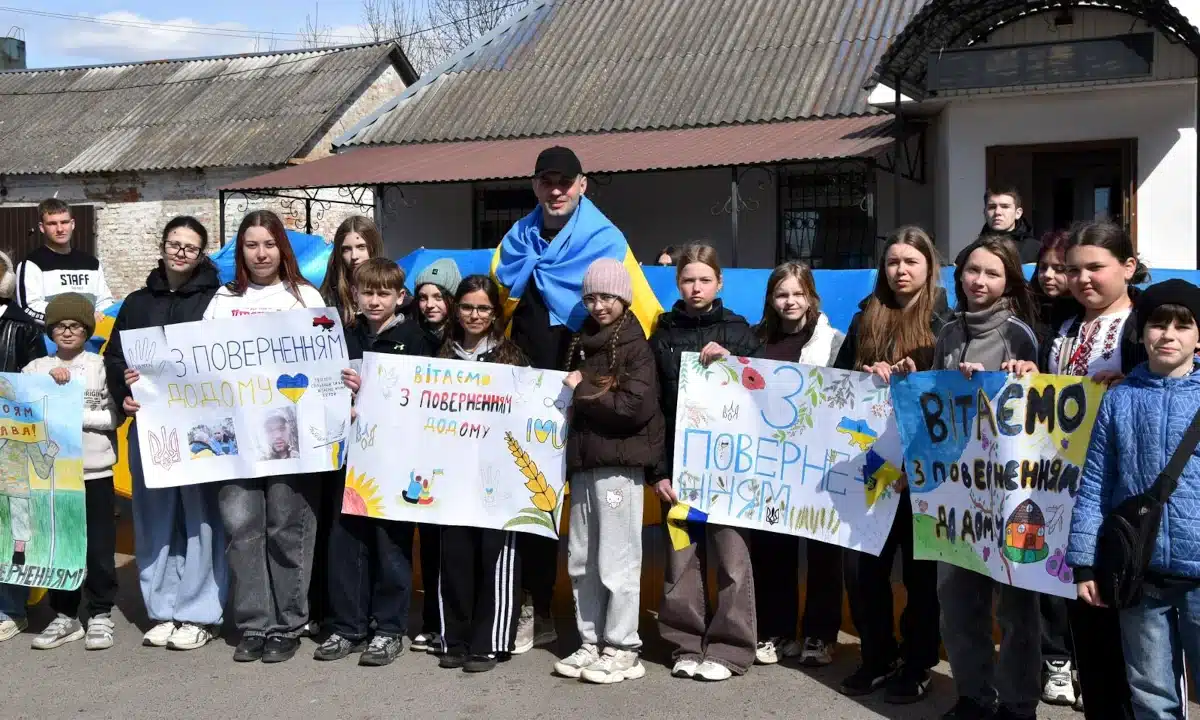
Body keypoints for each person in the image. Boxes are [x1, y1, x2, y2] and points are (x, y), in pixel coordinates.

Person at [490, 145, 660, 654]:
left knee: (597, 526)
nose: (556, 190)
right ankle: (534, 610)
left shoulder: (606, 240)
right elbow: (492, 311)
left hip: (586, 401)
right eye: (547, 181)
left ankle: (614, 636)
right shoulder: (514, 241)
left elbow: (642, 315)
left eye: (566, 181)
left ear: (583, 184)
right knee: (529, 503)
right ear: (536, 186)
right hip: (528, 399)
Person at [1014, 221, 1148, 719]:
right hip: (1066, 494)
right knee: (1084, 617)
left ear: (1128, 267)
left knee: (1133, 635)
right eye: (1074, 270)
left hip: (1124, 497)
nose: (1083, 279)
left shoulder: (1145, 325)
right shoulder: (1065, 326)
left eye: (1096, 267)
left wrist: (1135, 380)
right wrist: (1034, 376)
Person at [913, 236, 1040, 720]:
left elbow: (1034, 409)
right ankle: (972, 695)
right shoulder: (947, 332)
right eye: (972, 271)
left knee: (1013, 605)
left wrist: (1018, 376)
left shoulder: (1019, 333)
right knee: (958, 599)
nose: (979, 281)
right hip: (954, 491)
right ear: (958, 274)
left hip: (1007, 493)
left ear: (1007, 281)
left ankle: (1017, 702)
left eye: (991, 273)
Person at [1068, 279, 1200, 720]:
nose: (1169, 334)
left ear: (1198, 336)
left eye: (1183, 325)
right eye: (1158, 324)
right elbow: (1095, 485)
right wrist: (1085, 561)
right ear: (1142, 332)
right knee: (1149, 693)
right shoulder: (1120, 399)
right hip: (1138, 572)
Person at [203, 210, 326, 663]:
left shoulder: (304, 298)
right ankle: (255, 623)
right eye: (251, 245)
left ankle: (288, 624)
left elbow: (327, 361)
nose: (260, 253)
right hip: (234, 436)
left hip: (289, 436)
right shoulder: (222, 298)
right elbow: (196, 364)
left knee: (285, 527)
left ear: (282, 248)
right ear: (241, 251)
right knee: (242, 528)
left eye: (268, 244)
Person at [834, 226, 948, 704]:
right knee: (863, 569)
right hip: (873, 465)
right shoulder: (866, 319)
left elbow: (953, 395)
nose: (900, 271)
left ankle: (917, 663)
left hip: (922, 472)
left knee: (921, 575)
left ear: (929, 268)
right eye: (893, 262)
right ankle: (876, 655)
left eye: (910, 262)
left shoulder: (945, 321)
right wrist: (861, 374)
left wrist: (919, 376)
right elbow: (836, 386)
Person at [104, 216, 227, 651]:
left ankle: (198, 612)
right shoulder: (136, 303)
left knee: (200, 520)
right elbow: (114, 357)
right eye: (174, 243)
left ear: (201, 254)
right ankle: (162, 608)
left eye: (190, 247)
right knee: (154, 517)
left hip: (199, 428)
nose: (180, 252)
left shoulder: (217, 301)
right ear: (162, 246)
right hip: (150, 426)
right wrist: (125, 393)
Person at [316, 258, 436, 667]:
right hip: (347, 457)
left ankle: (388, 629)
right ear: (355, 293)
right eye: (367, 291)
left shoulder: (416, 340)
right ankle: (346, 626)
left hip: (393, 460)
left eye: (384, 292)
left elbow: (423, 401)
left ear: (400, 297)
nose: (374, 300)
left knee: (390, 545)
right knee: (346, 543)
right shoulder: (343, 338)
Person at [652, 244, 762, 682]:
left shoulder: (740, 332)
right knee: (682, 560)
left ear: (719, 283)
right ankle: (684, 644)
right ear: (677, 283)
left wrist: (735, 363)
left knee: (733, 558)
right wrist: (658, 471)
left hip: (731, 471)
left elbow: (763, 396)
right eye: (687, 280)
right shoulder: (661, 334)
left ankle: (731, 649)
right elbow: (653, 407)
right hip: (679, 470)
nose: (695, 288)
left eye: (703, 280)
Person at [552, 258, 664, 684]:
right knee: (581, 558)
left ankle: (622, 647)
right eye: (592, 297)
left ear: (624, 298)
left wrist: (581, 389)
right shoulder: (581, 341)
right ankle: (589, 641)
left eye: (608, 297)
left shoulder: (636, 346)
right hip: (583, 465)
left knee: (616, 559)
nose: (599, 305)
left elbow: (633, 408)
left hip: (618, 467)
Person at [749, 261, 845, 667]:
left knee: (823, 551)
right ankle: (777, 630)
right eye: (781, 294)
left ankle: (820, 635)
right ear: (771, 299)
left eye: (797, 293)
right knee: (773, 549)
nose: (790, 301)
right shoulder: (755, 340)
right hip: (772, 463)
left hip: (819, 465)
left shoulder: (834, 342)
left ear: (811, 297)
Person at [435, 274, 529, 674]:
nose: (475, 315)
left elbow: (529, 414)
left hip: (498, 478)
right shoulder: (441, 357)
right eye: (468, 307)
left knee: (496, 556)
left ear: (495, 314)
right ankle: (454, 637)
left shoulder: (513, 358)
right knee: (454, 556)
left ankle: (488, 642)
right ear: (457, 309)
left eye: (483, 308)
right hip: (452, 477)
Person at [24, 293, 121, 651]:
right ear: (50, 330)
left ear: (86, 330)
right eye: (60, 326)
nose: (67, 332)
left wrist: (73, 412)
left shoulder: (99, 366)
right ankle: (65, 615)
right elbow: (23, 409)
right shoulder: (35, 368)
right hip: (52, 475)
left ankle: (99, 613)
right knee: (60, 545)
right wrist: (49, 386)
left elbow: (114, 416)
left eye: (75, 326)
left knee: (98, 546)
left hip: (95, 470)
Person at [1029, 227, 1082, 708]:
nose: (1050, 276)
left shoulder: (1100, 322)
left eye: (1060, 267)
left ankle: (1088, 663)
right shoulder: (1037, 319)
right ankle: (1056, 659)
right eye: (1044, 266)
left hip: (1089, 460)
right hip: (1044, 461)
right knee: (1049, 561)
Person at [408, 256, 461, 653]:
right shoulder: (411, 336)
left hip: (457, 453)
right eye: (424, 296)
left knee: (455, 543)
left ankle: (454, 621)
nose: (430, 304)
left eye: (439, 296)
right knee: (428, 540)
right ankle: (430, 619)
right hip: (420, 452)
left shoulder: (462, 339)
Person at [0, 251, 48, 643]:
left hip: (11, 443)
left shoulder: (23, 328)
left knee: (12, 526)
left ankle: (11, 608)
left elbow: (38, 385)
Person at [16, 198, 114, 326]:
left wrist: (96, 317)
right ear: (41, 227)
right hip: (50, 342)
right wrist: (76, 318)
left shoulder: (91, 264)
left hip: (91, 341)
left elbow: (104, 302)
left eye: (64, 222)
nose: (60, 229)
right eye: (52, 224)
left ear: (72, 224)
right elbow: (29, 308)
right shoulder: (31, 265)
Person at [320, 215, 384, 328]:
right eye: (346, 249)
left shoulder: (391, 287)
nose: (354, 256)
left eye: (361, 247)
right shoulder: (329, 297)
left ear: (373, 247)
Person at [980, 187, 1037, 264]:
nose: (997, 212)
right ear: (985, 212)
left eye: (1005, 206)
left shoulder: (1037, 251)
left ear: (1018, 213)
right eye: (992, 207)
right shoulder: (971, 251)